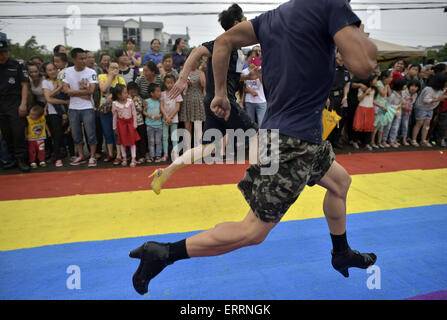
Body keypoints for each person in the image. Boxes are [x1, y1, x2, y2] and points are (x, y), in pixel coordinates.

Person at [129, 0, 378, 295]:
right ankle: (162, 254)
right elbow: (363, 65)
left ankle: (341, 251)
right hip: (290, 142)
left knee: (340, 183)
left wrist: (221, 93)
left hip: (293, 135)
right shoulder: (332, 6)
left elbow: (223, 41)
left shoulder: (274, 16)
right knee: (253, 231)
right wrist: (359, 32)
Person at [148, 3, 260, 195]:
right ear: (236, 23)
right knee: (255, 135)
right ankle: (258, 183)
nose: (247, 23)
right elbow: (197, 52)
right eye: (244, 20)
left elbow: (230, 76)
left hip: (212, 102)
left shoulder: (236, 51)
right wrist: (182, 79)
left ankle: (164, 172)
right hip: (223, 102)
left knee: (208, 148)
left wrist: (247, 77)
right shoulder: (223, 42)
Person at [62, 47, 98, 167]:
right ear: (73, 59)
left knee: (91, 133)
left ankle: (92, 156)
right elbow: (65, 89)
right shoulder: (67, 71)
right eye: (81, 58)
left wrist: (73, 92)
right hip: (73, 108)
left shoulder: (91, 72)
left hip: (87, 107)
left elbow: (91, 90)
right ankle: (81, 155)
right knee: (76, 134)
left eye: (85, 58)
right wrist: (82, 92)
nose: (83, 61)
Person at [0, 38, 30, 172]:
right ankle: (12, 158)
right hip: (1, 103)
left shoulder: (17, 65)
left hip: (15, 102)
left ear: (8, 51)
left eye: (4, 52)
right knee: (6, 133)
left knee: (18, 132)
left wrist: (23, 104)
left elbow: (24, 85)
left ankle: (21, 159)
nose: (2, 55)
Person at [42, 62, 70, 167]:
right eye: (49, 70)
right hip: (53, 112)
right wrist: (59, 87)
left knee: (68, 133)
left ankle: (73, 155)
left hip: (67, 110)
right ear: (46, 72)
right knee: (56, 135)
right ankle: (58, 158)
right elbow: (49, 99)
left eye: (54, 69)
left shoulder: (63, 78)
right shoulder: (46, 82)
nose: (53, 71)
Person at [98, 61, 126, 164]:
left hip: (118, 111)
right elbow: (103, 88)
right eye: (112, 67)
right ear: (107, 68)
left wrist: (112, 96)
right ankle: (110, 154)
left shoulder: (121, 79)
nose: (115, 70)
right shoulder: (102, 76)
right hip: (105, 110)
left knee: (116, 133)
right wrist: (110, 76)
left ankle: (119, 155)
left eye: (117, 68)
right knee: (107, 132)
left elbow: (124, 94)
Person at [411, 73, 447, 147]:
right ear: (441, 81)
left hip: (430, 109)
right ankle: (414, 139)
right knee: (419, 123)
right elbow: (425, 100)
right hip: (421, 108)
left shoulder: (441, 89)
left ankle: (423, 140)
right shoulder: (429, 89)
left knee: (427, 124)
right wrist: (438, 99)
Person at [178, 52, 206, 149]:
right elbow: (179, 86)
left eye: (196, 61)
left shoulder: (200, 72)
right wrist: (185, 81)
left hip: (198, 100)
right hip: (186, 101)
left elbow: (203, 86)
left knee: (198, 126)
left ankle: (199, 149)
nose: (195, 63)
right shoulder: (183, 72)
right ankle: (188, 150)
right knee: (187, 127)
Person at [112, 84, 140, 167]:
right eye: (124, 93)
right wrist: (114, 127)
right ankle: (124, 158)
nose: (126, 94)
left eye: (126, 92)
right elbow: (114, 116)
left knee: (132, 142)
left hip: (130, 123)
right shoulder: (115, 103)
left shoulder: (130, 101)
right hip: (121, 124)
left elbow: (134, 113)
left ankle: (133, 158)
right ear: (118, 95)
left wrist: (135, 123)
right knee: (122, 142)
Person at [326, 51, 350, 149]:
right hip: (330, 97)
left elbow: (347, 84)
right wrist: (326, 97)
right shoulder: (330, 67)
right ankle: (326, 141)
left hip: (340, 98)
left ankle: (335, 141)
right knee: (328, 119)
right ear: (336, 54)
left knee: (339, 120)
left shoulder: (346, 70)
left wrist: (345, 97)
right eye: (341, 53)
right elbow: (324, 83)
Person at [161, 74, 183, 161]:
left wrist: (170, 117)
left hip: (174, 119)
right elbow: (161, 106)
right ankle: (166, 153)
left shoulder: (177, 94)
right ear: (165, 83)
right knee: (165, 136)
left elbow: (177, 107)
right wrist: (166, 117)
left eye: (171, 83)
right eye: (167, 83)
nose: (169, 84)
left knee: (174, 136)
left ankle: (175, 153)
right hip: (165, 119)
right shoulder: (162, 94)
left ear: (174, 83)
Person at [353, 73, 378, 151]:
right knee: (358, 125)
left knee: (369, 127)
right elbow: (359, 99)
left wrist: (381, 106)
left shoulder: (374, 90)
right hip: (362, 108)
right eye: (375, 80)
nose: (376, 81)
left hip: (370, 109)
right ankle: (355, 141)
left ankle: (367, 143)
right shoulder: (362, 88)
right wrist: (366, 92)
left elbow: (373, 100)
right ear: (370, 81)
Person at [382, 78, 407, 148]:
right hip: (391, 111)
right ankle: (384, 140)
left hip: (398, 111)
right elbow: (388, 103)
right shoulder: (393, 93)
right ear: (400, 85)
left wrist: (402, 104)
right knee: (388, 126)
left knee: (396, 126)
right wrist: (400, 105)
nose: (405, 86)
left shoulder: (403, 93)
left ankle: (392, 140)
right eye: (404, 85)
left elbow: (403, 101)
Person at [372, 70, 394, 148]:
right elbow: (383, 93)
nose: (391, 79)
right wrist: (386, 85)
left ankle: (379, 142)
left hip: (384, 106)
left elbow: (390, 94)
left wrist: (387, 85)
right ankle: (372, 142)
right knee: (376, 124)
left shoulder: (385, 84)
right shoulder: (379, 83)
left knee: (381, 125)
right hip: (377, 106)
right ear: (384, 77)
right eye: (390, 77)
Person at [127, 81, 148, 164]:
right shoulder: (126, 99)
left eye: (135, 90)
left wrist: (135, 101)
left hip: (139, 123)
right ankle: (133, 156)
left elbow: (140, 109)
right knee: (132, 140)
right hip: (129, 123)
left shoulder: (138, 98)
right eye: (131, 90)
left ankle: (142, 156)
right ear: (128, 91)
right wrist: (131, 101)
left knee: (141, 140)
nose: (133, 92)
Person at [242, 63, 266, 127]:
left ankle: (262, 137)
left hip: (261, 101)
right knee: (250, 124)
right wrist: (250, 91)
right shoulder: (244, 71)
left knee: (262, 124)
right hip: (249, 101)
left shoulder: (262, 69)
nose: (253, 62)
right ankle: (253, 137)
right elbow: (241, 88)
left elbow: (265, 84)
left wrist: (260, 74)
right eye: (252, 58)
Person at [143, 83, 163, 163]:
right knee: (151, 141)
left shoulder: (160, 101)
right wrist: (148, 114)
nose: (159, 93)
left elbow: (162, 112)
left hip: (159, 125)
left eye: (160, 91)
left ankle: (158, 155)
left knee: (158, 141)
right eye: (157, 91)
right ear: (151, 93)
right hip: (150, 125)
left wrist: (160, 115)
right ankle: (152, 156)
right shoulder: (147, 101)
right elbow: (143, 111)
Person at [399, 79, 420, 146]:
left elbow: (412, 103)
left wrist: (410, 108)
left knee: (405, 125)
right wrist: (404, 107)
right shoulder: (404, 92)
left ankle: (404, 139)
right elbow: (399, 102)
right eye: (412, 86)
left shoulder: (415, 94)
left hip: (407, 112)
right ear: (409, 86)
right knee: (397, 125)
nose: (413, 88)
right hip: (399, 110)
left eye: (416, 87)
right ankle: (395, 139)